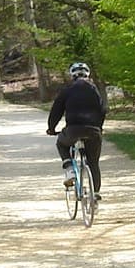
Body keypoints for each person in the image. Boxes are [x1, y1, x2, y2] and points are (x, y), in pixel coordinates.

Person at [46, 61, 107, 199]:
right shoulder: (95, 90)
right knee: (93, 163)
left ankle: (69, 170)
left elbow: (56, 110)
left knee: (61, 144)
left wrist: (51, 128)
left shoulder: (67, 90)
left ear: (72, 75)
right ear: (88, 75)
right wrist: (99, 127)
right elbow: (103, 110)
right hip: (94, 131)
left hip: (73, 130)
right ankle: (95, 194)